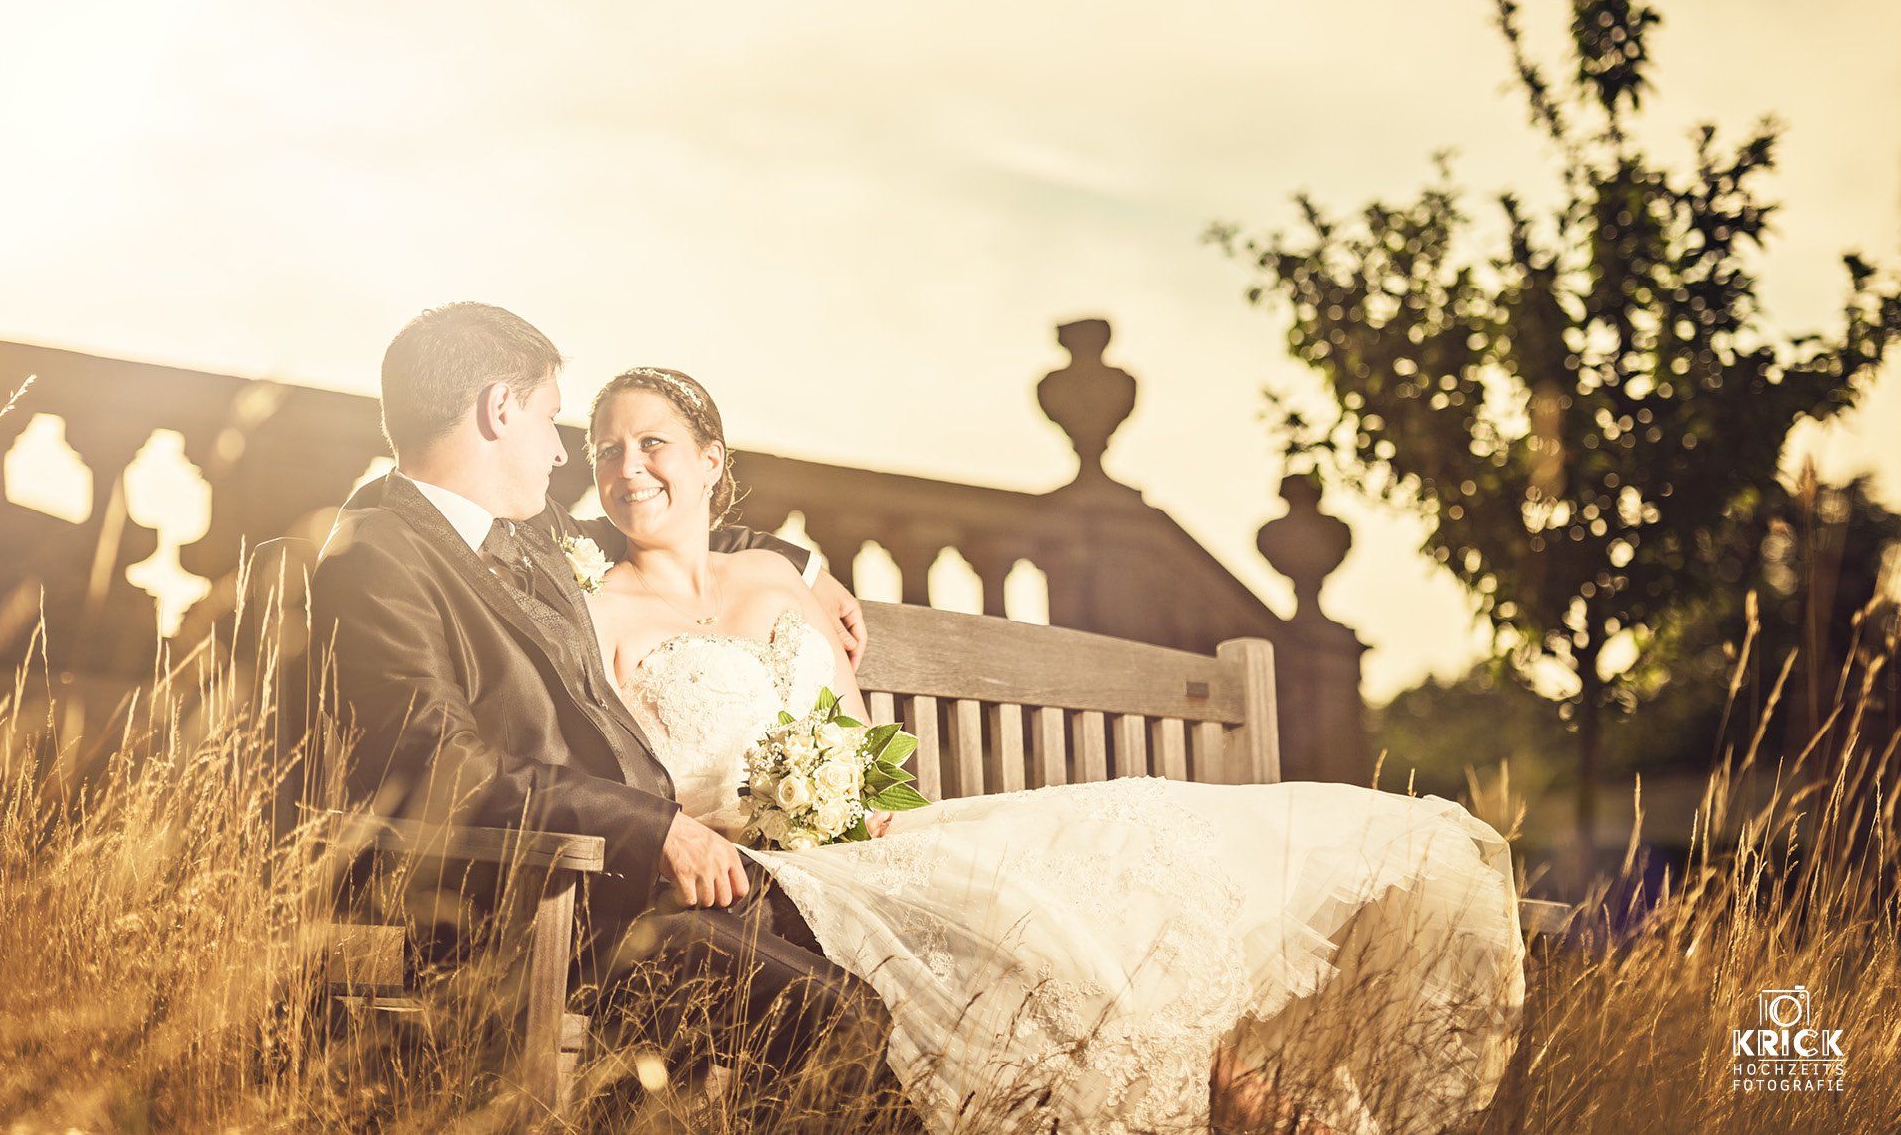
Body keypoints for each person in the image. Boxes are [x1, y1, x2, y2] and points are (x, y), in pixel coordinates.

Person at [584, 366, 1529, 1135]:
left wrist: (857, 789)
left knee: (1115, 841)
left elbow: (858, 737)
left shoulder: (780, 570)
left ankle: (1240, 1099)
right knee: (1039, 910)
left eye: (653, 442)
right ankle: (1252, 1109)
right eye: (606, 450)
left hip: (882, 834)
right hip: (773, 872)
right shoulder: (599, 614)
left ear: (712, 459)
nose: (629, 467)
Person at [308, 303, 894, 1101]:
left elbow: (665, 520)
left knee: (910, 962)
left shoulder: (518, 531)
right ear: (499, 410)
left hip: (638, 886)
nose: (559, 454)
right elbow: (438, 763)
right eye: (552, 420)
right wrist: (653, 831)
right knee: (845, 1012)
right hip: (550, 911)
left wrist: (809, 567)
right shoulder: (377, 553)